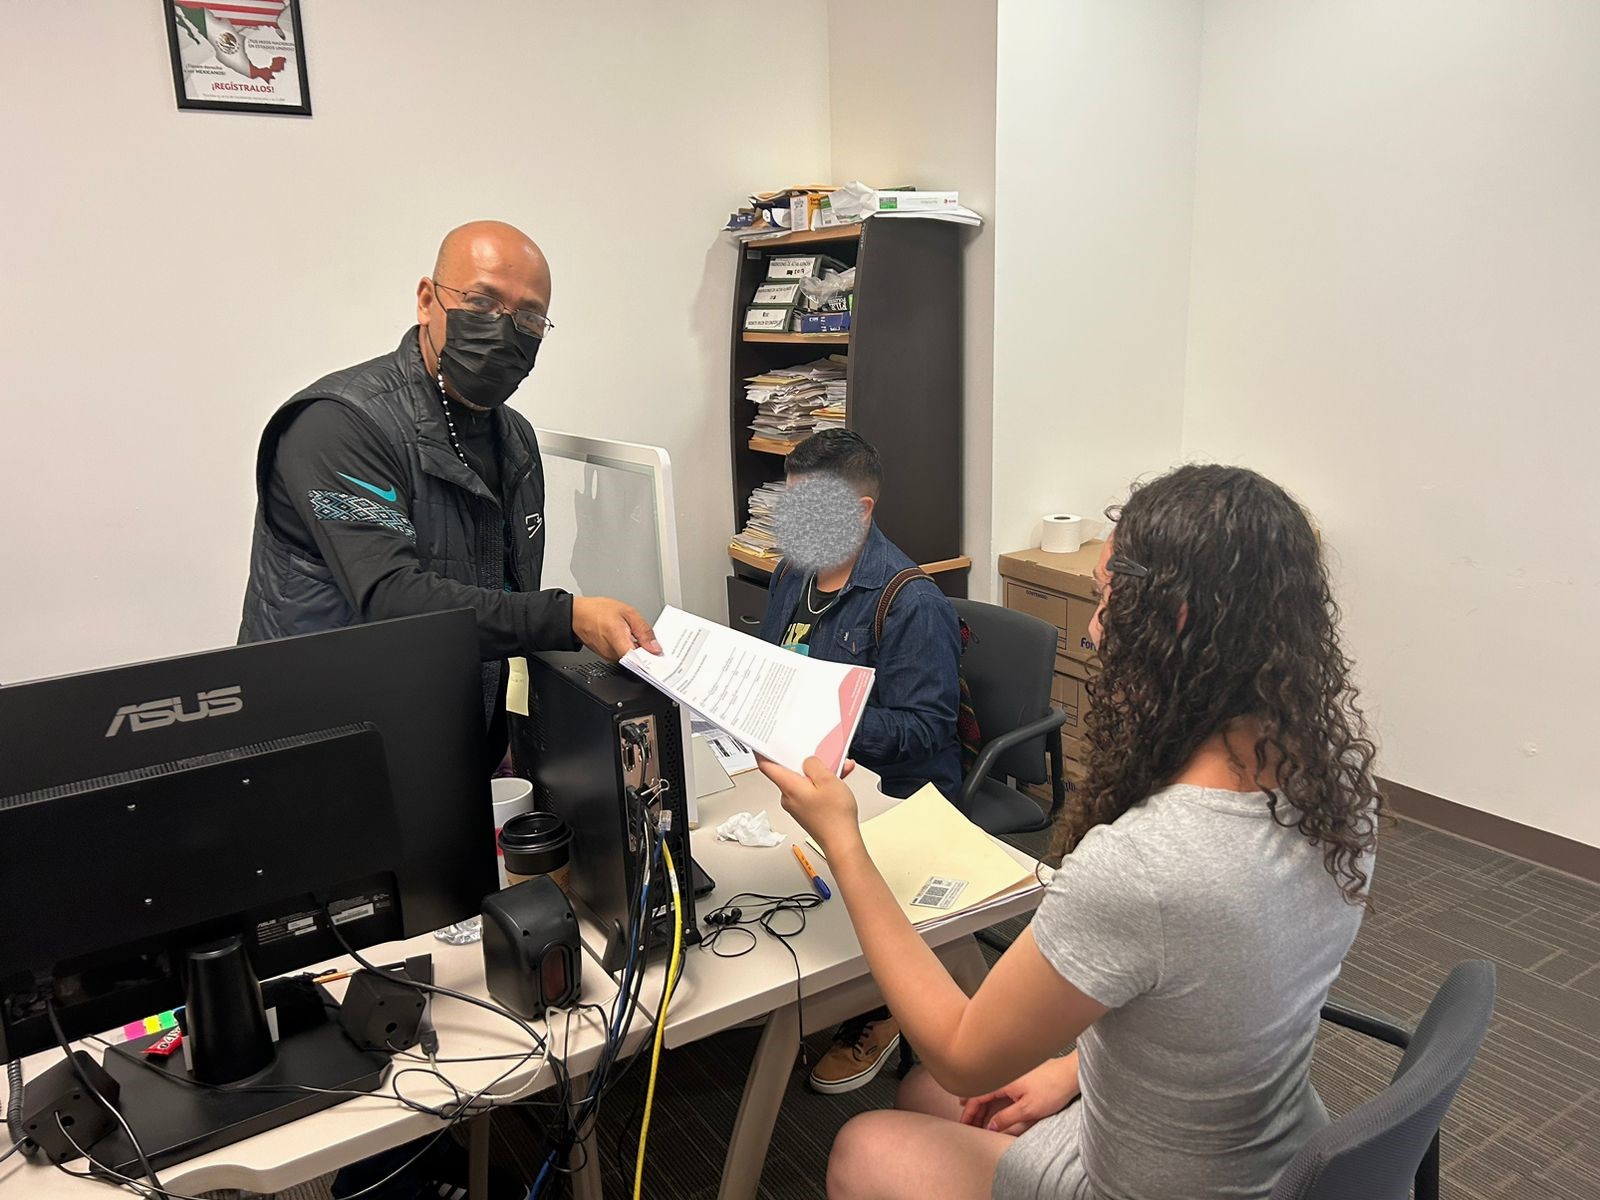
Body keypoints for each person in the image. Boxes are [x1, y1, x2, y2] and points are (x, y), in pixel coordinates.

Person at [760, 464, 1385, 1200]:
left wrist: (844, 843)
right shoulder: (1336, 780)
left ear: (1176, 621)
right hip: (1264, 1142)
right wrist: (1072, 1069)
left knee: (863, 1145)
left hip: (1158, 1185)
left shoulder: (1147, 863)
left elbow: (961, 1052)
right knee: (925, 1094)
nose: (1092, 630)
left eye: (1104, 599)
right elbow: (1223, 994)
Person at [238, 220, 658, 765]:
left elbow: (504, 592)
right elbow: (395, 601)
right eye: (481, 302)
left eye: (529, 317)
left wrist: (509, 731)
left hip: (450, 739)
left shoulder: (515, 440)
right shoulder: (339, 424)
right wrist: (567, 616)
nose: (504, 330)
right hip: (329, 741)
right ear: (426, 300)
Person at [759, 428, 965, 1095]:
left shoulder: (910, 602)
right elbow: (778, 665)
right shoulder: (793, 572)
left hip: (896, 794)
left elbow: (925, 731)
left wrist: (827, 724)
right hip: (815, 769)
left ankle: (883, 1011)